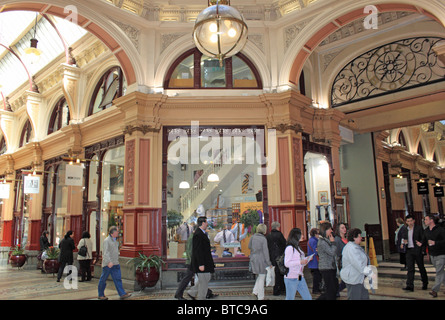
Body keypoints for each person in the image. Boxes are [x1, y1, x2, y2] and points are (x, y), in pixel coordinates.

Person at [175, 225, 217, 300]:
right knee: (193, 277)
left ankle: (206, 292)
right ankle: (180, 293)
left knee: (203, 278)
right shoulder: (194, 237)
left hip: (194, 261)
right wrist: (195, 261)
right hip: (193, 261)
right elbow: (191, 250)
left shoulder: (193, 236)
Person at [98, 226, 131, 300]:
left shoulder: (115, 241)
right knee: (103, 279)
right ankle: (101, 294)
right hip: (108, 264)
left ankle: (122, 293)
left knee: (118, 279)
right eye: (117, 231)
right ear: (113, 232)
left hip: (115, 263)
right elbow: (105, 253)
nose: (118, 233)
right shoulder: (107, 241)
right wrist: (108, 262)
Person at [188, 216, 215, 300]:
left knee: (205, 279)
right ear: (203, 223)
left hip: (205, 262)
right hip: (202, 263)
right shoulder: (198, 234)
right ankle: (201, 298)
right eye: (206, 222)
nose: (207, 224)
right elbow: (198, 251)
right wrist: (201, 264)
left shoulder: (201, 233)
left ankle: (192, 292)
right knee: (204, 282)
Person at [340, 228, 370, 300]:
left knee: (364, 297)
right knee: (355, 297)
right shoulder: (351, 248)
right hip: (354, 279)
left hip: (359, 278)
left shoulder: (355, 246)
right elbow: (358, 264)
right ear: (354, 237)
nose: (361, 238)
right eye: (359, 236)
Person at [284, 228, 313, 300]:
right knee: (290, 298)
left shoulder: (298, 247)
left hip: (300, 276)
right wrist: (300, 262)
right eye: (301, 234)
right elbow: (287, 263)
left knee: (308, 297)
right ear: (296, 236)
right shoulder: (290, 248)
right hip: (291, 278)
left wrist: (306, 260)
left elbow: (300, 262)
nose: (303, 236)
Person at [401, 215, 428, 292]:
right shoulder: (405, 229)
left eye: (411, 221)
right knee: (410, 268)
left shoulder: (418, 228)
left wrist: (421, 244)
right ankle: (409, 285)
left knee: (421, 267)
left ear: (414, 221)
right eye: (408, 221)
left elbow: (423, 238)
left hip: (417, 250)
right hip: (409, 251)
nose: (410, 223)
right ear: (406, 222)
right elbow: (404, 238)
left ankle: (425, 283)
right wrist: (403, 243)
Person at [422, 214, 445, 298]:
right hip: (432, 254)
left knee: (439, 272)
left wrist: (436, 243)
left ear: (431, 220)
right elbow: (424, 242)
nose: (425, 221)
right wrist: (425, 251)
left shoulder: (440, 230)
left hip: (441, 254)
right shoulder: (426, 231)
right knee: (441, 272)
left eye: (426, 219)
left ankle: (434, 290)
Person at [248, 223, 272, 300]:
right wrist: (269, 263)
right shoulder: (263, 239)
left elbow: (249, 246)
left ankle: (255, 291)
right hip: (261, 259)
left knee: (259, 276)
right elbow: (266, 252)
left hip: (253, 258)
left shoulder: (252, 237)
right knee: (262, 277)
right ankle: (261, 297)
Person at [316, 221, 338, 300]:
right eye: (329, 229)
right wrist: (333, 243)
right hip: (326, 268)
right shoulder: (322, 242)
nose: (331, 231)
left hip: (330, 267)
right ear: (325, 230)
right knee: (330, 290)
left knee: (333, 289)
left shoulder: (325, 240)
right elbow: (332, 252)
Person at [266, 221, 287, 296]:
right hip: (279, 257)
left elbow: (267, 247)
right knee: (280, 273)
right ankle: (280, 289)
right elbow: (284, 244)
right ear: (277, 227)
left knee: (274, 273)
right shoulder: (279, 234)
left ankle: (275, 289)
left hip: (271, 256)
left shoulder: (268, 235)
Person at [307, 228, 322, 294]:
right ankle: (316, 289)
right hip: (315, 261)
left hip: (312, 261)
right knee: (317, 276)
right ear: (315, 234)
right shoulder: (314, 241)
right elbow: (316, 251)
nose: (318, 235)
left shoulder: (311, 240)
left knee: (316, 275)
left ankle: (316, 289)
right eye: (318, 233)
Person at [334, 223, 348, 293]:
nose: (344, 229)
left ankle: (335, 292)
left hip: (348, 262)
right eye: (342, 228)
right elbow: (337, 252)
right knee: (345, 281)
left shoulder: (346, 239)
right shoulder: (337, 239)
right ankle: (335, 292)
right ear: (338, 229)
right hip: (342, 262)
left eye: (345, 227)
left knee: (346, 281)